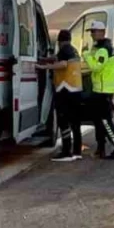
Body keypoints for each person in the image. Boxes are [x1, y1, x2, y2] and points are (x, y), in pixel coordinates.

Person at [82, 21, 114, 160]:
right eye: (91, 32)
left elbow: (96, 67)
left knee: (105, 121)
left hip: (104, 90)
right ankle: (101, 149)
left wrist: (86, 54)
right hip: (99, 89)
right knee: (98, 121)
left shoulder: (104, 49)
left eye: (94, 31)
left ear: (102, 32)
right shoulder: (99, 47)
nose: (92, 34)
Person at [39, 29, 84, 162]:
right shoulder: (72, 50)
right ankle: (77, 151)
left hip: (65, 89)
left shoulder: (65, 50)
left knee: (63, 121)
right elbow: (58, 58)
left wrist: (45, 66)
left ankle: (66, 151)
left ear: (60, 41)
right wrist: (46, 59)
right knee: (75, 122)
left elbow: (63, 64)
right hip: (75, 90)